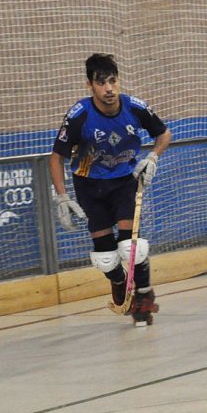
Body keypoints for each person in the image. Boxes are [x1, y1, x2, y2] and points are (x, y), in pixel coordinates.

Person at [50, 53, 171, 325]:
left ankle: (143, 294)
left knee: (131, 247)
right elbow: (56, 157)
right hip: (89, 186)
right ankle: (119, 280)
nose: (109, 88)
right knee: (105, 257)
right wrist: (62, 198)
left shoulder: (134, 107)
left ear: (119, 81)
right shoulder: (79, 115)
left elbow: (164, 133)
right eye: (101, 83)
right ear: (89, 86)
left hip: (123, 182)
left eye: (113, 81)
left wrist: (152, 157)